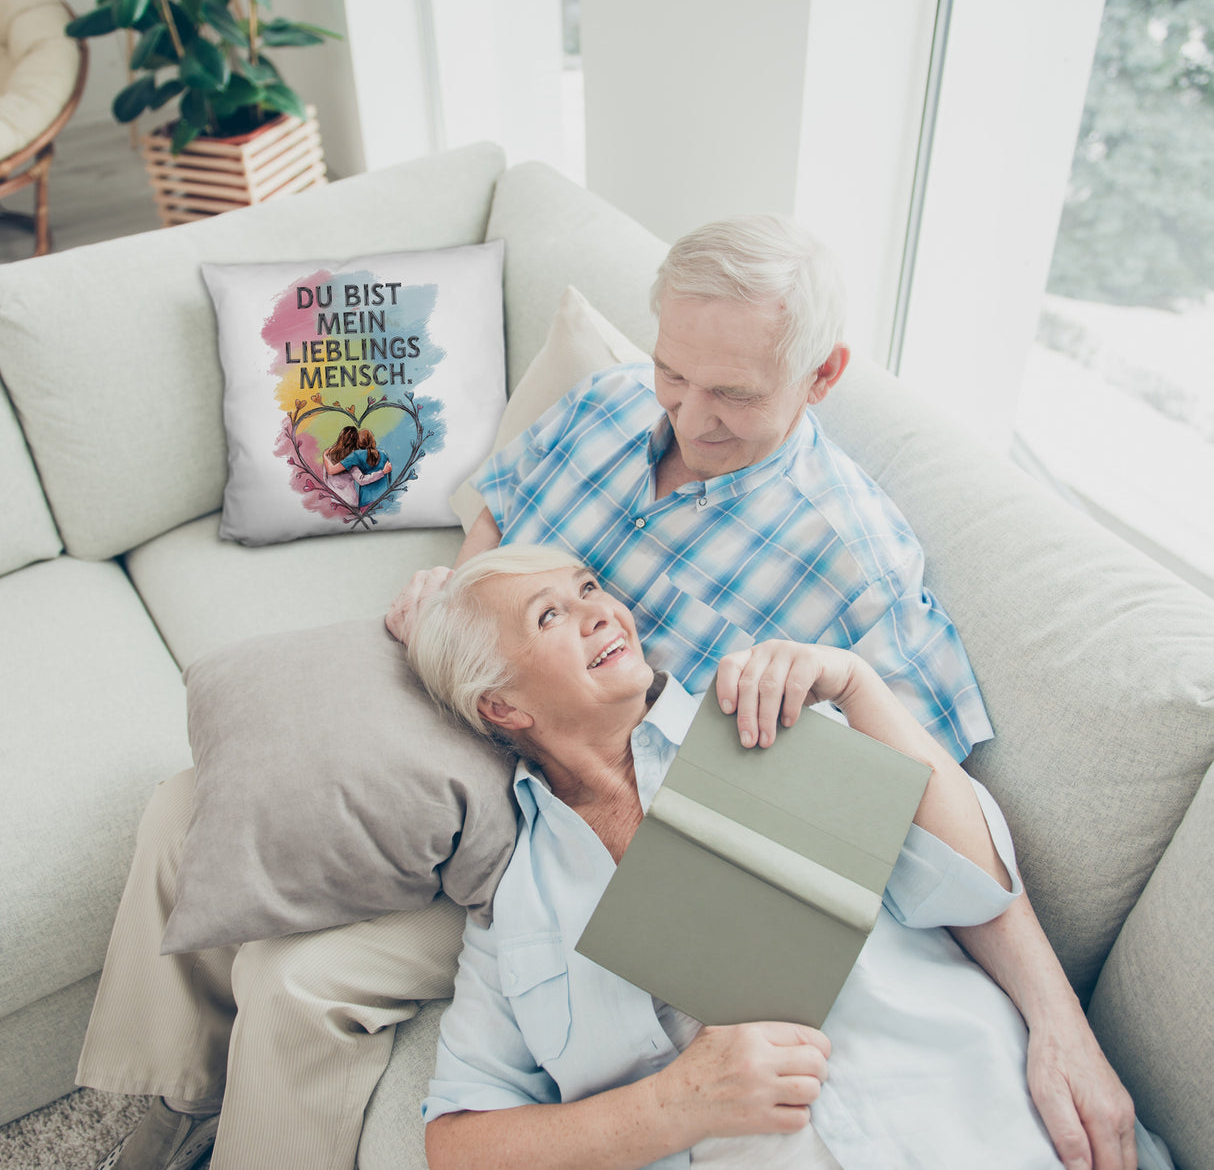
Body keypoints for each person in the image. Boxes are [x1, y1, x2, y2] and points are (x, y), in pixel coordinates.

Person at [79, 216, 1133, 1170]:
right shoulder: (608, 403)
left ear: (820, 376)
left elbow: (926, 811)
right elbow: (497, 517)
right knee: (192, 802)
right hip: (486, 702)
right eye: (675, 372)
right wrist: (458, 598)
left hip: (579, 808)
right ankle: (161, 1103)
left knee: (299, 979)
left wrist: (1058, 1021)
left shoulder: (854, 564)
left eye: (732, 393)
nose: (688, 414)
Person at [408, 545, 1163, 1170]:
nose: (601, 610)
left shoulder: (763, 718)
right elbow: (458, 1144)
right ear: (502, 706)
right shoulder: (516, 907)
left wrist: (859, 687)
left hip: (986, 1124)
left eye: (589, 588)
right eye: (551, 615)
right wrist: (674, 1106)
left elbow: (973, 886)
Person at [323, 425, 392, 507]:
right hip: (383, 496)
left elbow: (327, 475)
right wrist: (383, 472)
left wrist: (324, 455)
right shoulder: (383, 454)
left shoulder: (333, 456)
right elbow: (389, 478)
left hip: (336, 499)